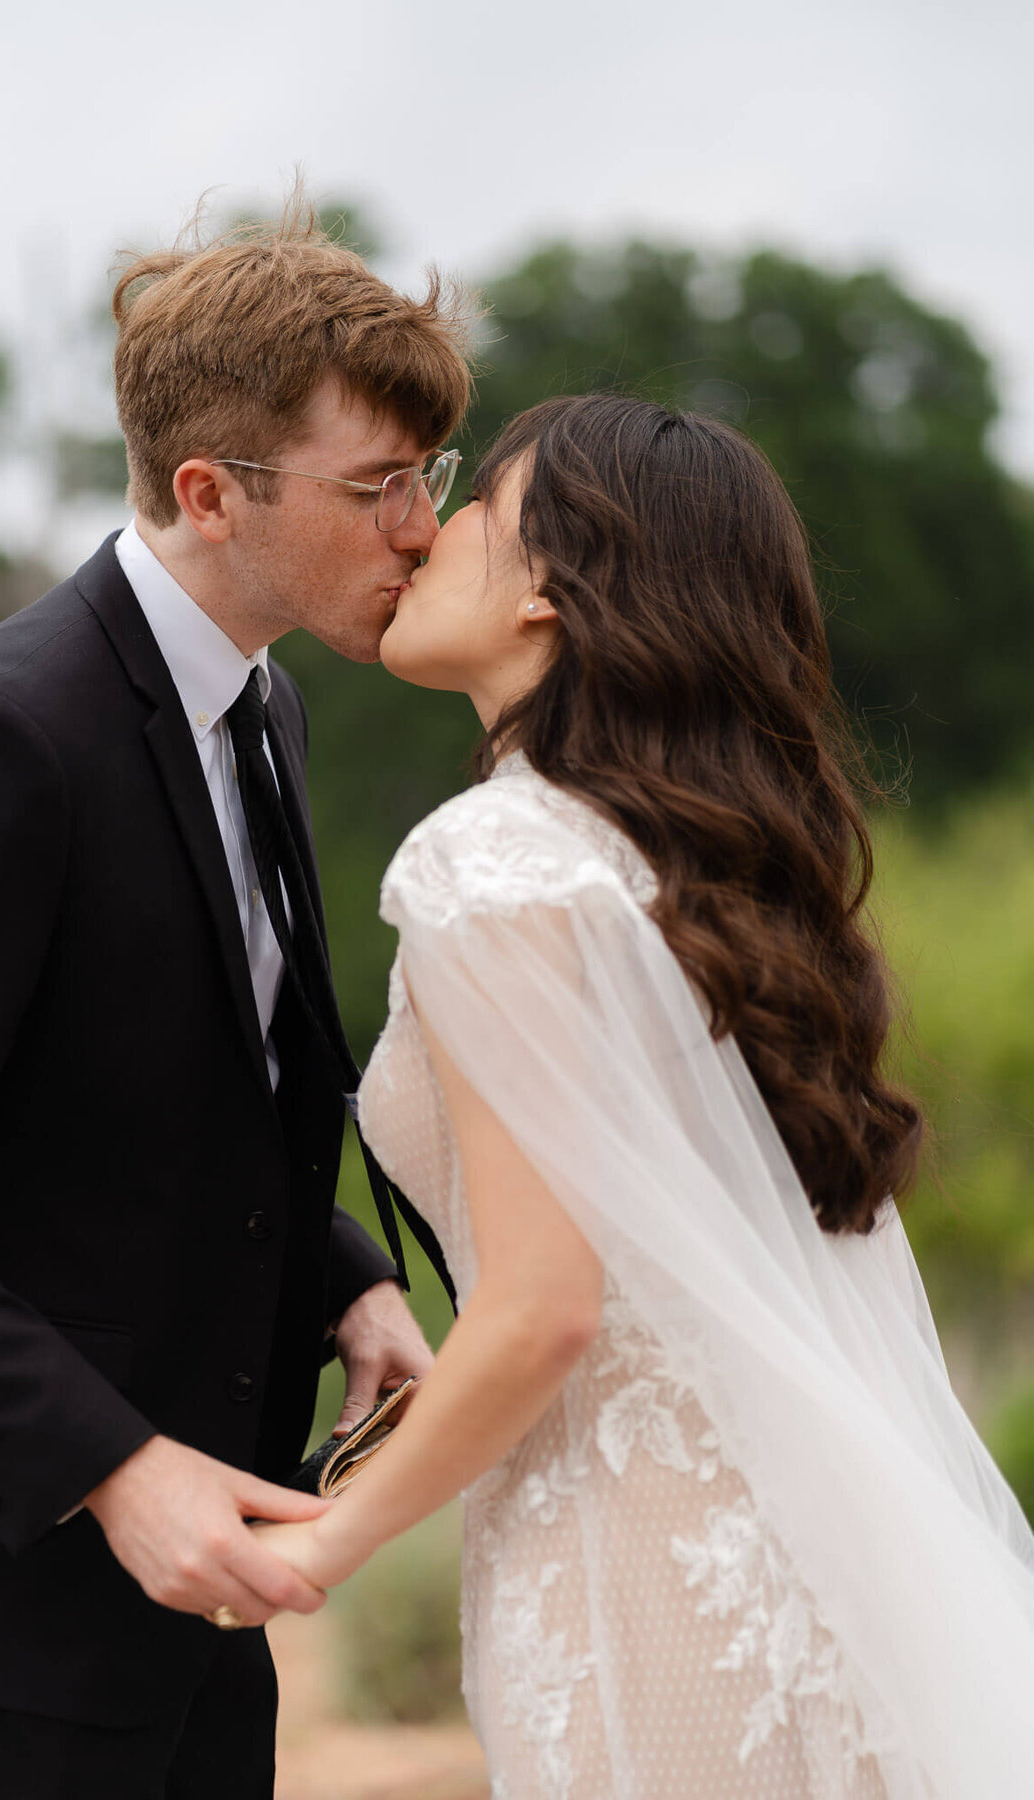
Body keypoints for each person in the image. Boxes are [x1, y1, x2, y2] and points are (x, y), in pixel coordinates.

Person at [255, 393, 1034, 1797]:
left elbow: (543, 1309)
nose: (422, 531)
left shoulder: (492, 865)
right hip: (798, 1553)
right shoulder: (684, 872)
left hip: (650, 1573)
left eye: (473, 502)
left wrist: (323, 1542)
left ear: (548, 585)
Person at [0, 207, 470, 1797]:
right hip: (20, 1604)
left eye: (431, 476)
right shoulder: (4, 740)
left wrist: (344, 1281)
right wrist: (116, 1472)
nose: (421, 529)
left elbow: (214, 1083)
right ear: (209, 493)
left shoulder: (267, 702)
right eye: (378, 485)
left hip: (205, 1585)